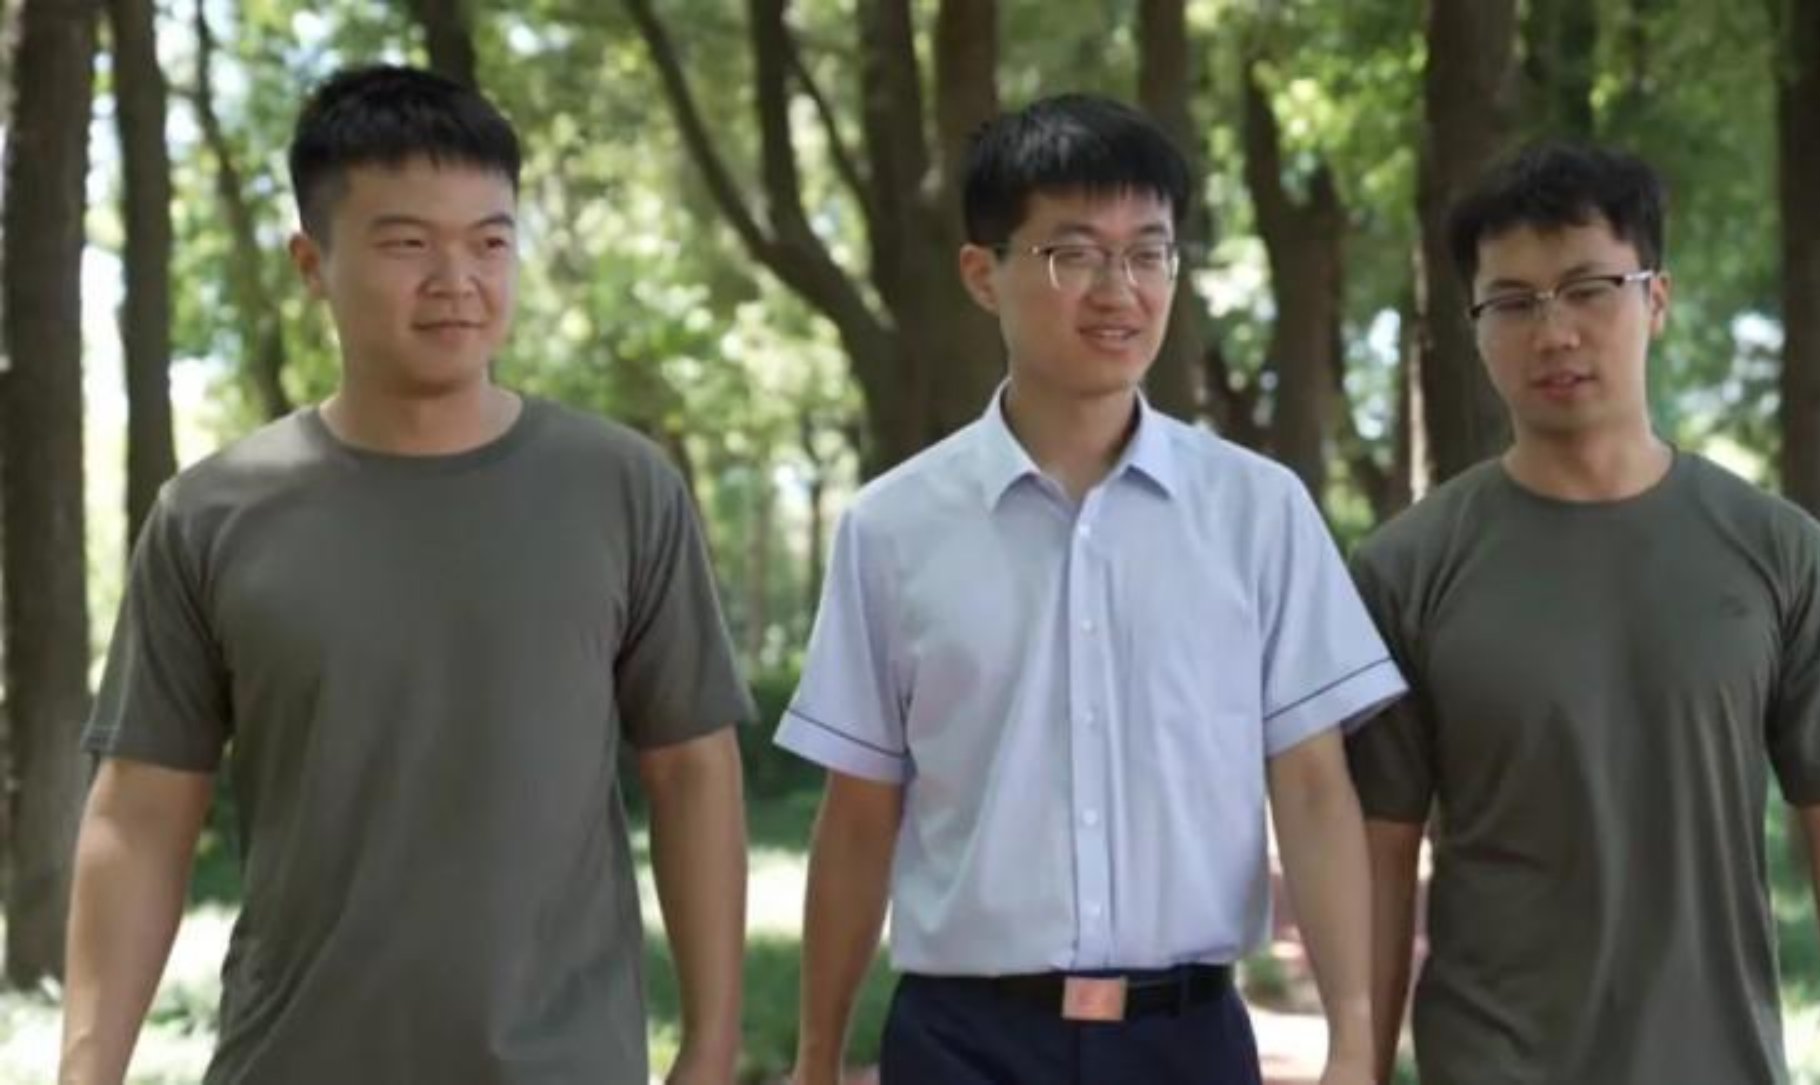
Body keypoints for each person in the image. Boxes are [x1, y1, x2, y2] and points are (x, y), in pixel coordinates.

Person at [60, 64, 752, 1085]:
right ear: (312, 262)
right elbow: (141, 811)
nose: (457, 279)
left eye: (489, 241)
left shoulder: (620, 488)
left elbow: (692, 767)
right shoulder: (212, 514)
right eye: (407, 244)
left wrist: (710, 1048)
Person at [777, 93, 1405, 1085]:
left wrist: (1355, 1041)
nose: (1120, 289)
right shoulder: (891, 529)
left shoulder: (1257, 511)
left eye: (1148, 253)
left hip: (1186, 1042)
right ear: (981, 274)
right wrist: (817, 1058)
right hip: (961, 1044)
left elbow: (1313, 785)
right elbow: (858, 813)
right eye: (1073, 254)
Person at [1348, 141, 1820, 1085]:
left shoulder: (1778, 551)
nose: (1554, 332)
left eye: (1589, 289)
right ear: (1474, 327)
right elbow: (1379, 852)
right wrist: (1357, 1066)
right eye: (1512, 302)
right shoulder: (1405, 569)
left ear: (1656, 300)